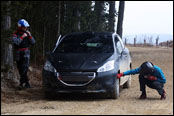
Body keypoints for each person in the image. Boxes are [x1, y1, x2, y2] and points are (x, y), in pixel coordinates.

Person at [12, 19, 35, 89]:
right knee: (20, 69)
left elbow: (33, 42)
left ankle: (21, 84)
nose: (26, 28)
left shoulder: (28, 33)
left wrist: (30, 36)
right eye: (24, 27)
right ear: (20, 27)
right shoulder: (15, 34)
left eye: (26, 27)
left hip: (26, 53)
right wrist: (22, 37)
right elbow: (16, 42)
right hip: (18, 53)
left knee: (24, 68)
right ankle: (27, 83)